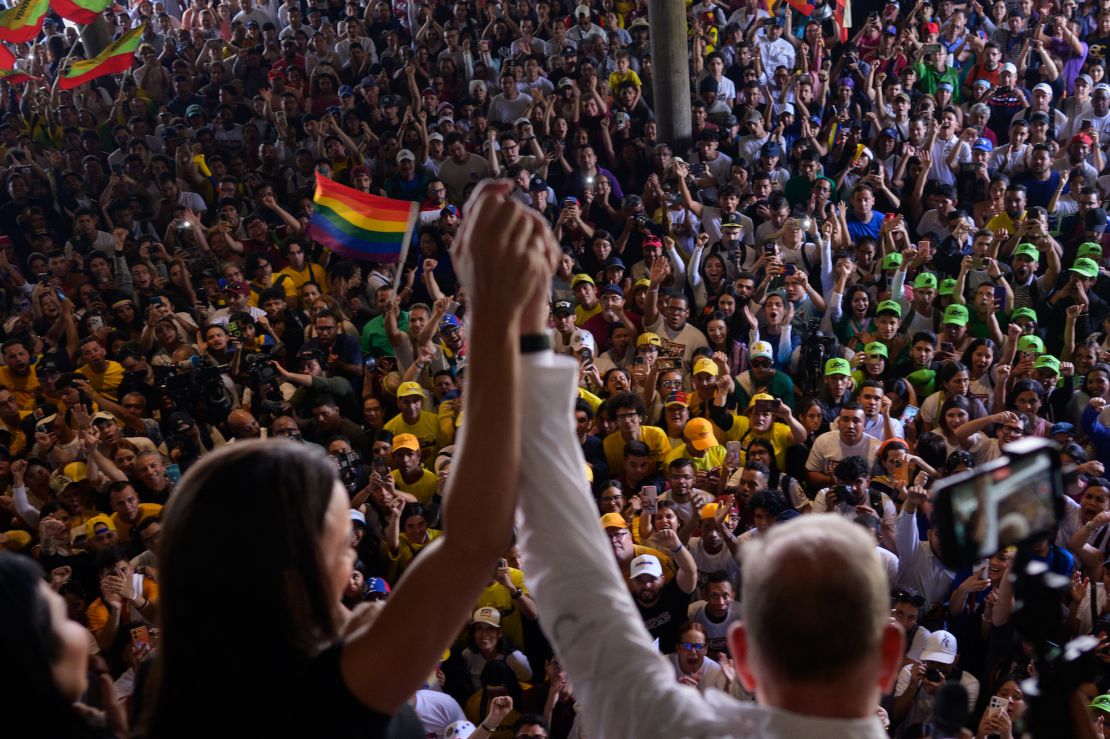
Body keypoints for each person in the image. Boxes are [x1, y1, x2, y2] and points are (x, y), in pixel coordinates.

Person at [145, 179, 558, 737]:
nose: (355, 557)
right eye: (343, 542)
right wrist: (517, 321)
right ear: (296, 572)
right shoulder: (321, 686)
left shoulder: (181, 682)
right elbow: (476, 541)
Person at [513, 347, 903, 738]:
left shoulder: (722, 599)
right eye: (642, 580)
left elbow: (694, 570)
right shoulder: (662, 618)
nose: (648, 584)